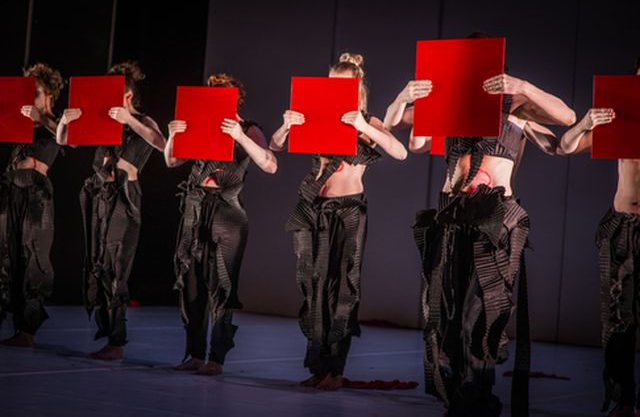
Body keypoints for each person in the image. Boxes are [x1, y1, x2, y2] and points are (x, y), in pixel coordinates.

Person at [384, 43, 576, 416]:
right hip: (452, 213)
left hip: (494, 215)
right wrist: (404, 96)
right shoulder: (449, 104)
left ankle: (477, 396)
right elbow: (406, 135)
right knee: (446, 309)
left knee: (482, 308)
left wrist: (523, 85)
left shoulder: (516, 107)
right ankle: (457, 394)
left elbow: (567, 116)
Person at [270, 53, 408, 391]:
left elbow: (400, 152)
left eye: (344, 85)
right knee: (313, 286)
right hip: (314, 208)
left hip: (348, 210)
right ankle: (318, 366)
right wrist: (287, 124)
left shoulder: (367, 121)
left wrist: (362, 126)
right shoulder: (316, 115)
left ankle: (336, 369)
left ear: (358, 89)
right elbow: (276, 144)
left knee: (343, 288)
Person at [166, 73, 277, 375]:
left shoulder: (248, 128)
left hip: (227, 212)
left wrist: (239, 136)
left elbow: (269, 164)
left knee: (223, 285)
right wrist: (174, 135)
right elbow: (172, 161)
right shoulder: (199, 124)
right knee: (191, 283)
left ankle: (216, 357)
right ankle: (193, 354)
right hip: (195, 208)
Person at [57, 61, 166, 360]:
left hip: (124, 197)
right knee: (98, 264)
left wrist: (129, 120)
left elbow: (161, 144)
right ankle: (108, 335)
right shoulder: (102, 120)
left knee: (116, 266)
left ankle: (117, 342)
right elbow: (64, 140)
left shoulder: (142, 120)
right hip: (99, 194)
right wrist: (64, 121)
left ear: (127, 95)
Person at [558, 58, 639, 417]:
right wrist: (585, 123)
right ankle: (624, 400)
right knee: (619, 318)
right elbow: (566, 146)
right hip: (622, 226)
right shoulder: (620, 120)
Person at [0, 63, 65, 347]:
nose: (31, 97)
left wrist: (41, 117)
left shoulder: (57, 122)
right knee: (8, 255)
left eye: (36, 92)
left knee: (34, 257)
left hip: (36, 194)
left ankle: (28, 330)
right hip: (11, 190)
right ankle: (14, 324)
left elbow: (69, 139)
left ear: (49, 95)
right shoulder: (21, 120)